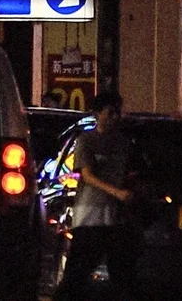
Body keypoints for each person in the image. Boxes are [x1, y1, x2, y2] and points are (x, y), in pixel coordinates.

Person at [62, 91, 138, 297]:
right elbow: (87, 175)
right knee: (77, 273)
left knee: (122, 276)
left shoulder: (124, 143)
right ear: (97, 114)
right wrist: (117, 193)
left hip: (116, 218)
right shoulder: (86, 141)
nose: (115, 117)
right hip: (90, 216)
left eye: (118, 113)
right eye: (110, 113)